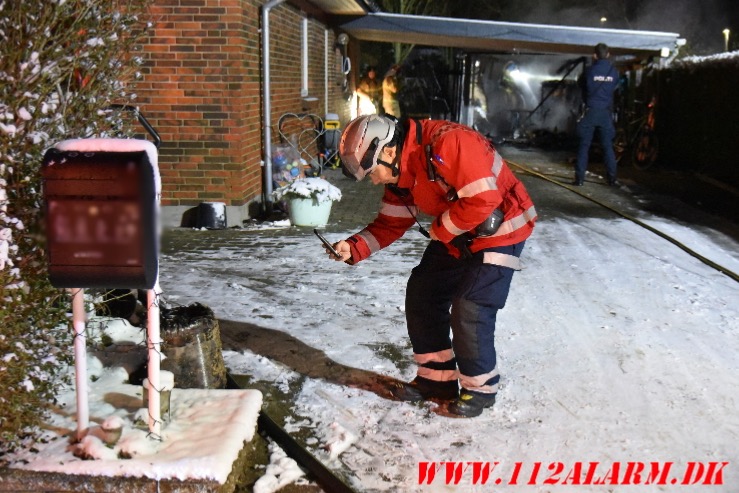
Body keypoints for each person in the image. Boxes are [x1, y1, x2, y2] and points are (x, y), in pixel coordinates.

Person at [325, 114, 537, 418]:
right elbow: (391, 222)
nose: (372, 179)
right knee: (423, 292)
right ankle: (437, 381)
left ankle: (480, 390)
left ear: (387, 151)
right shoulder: (402, 172)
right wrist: (354, 247)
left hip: (502, 231)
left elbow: (483, 200)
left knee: (471, 306)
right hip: (460, 232)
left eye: (372, 171)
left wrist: (443, 230)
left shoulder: (450, 143)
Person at [574, 43, 620, 186]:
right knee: (607, 146)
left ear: (594, 55)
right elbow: (615, 88)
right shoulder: (614, 72)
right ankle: (612, 179)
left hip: (590, 111)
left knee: (584, 145)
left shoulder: (589, 71)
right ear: (608, 54)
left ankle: (579, 179)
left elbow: (581, 86)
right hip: (605, 113)